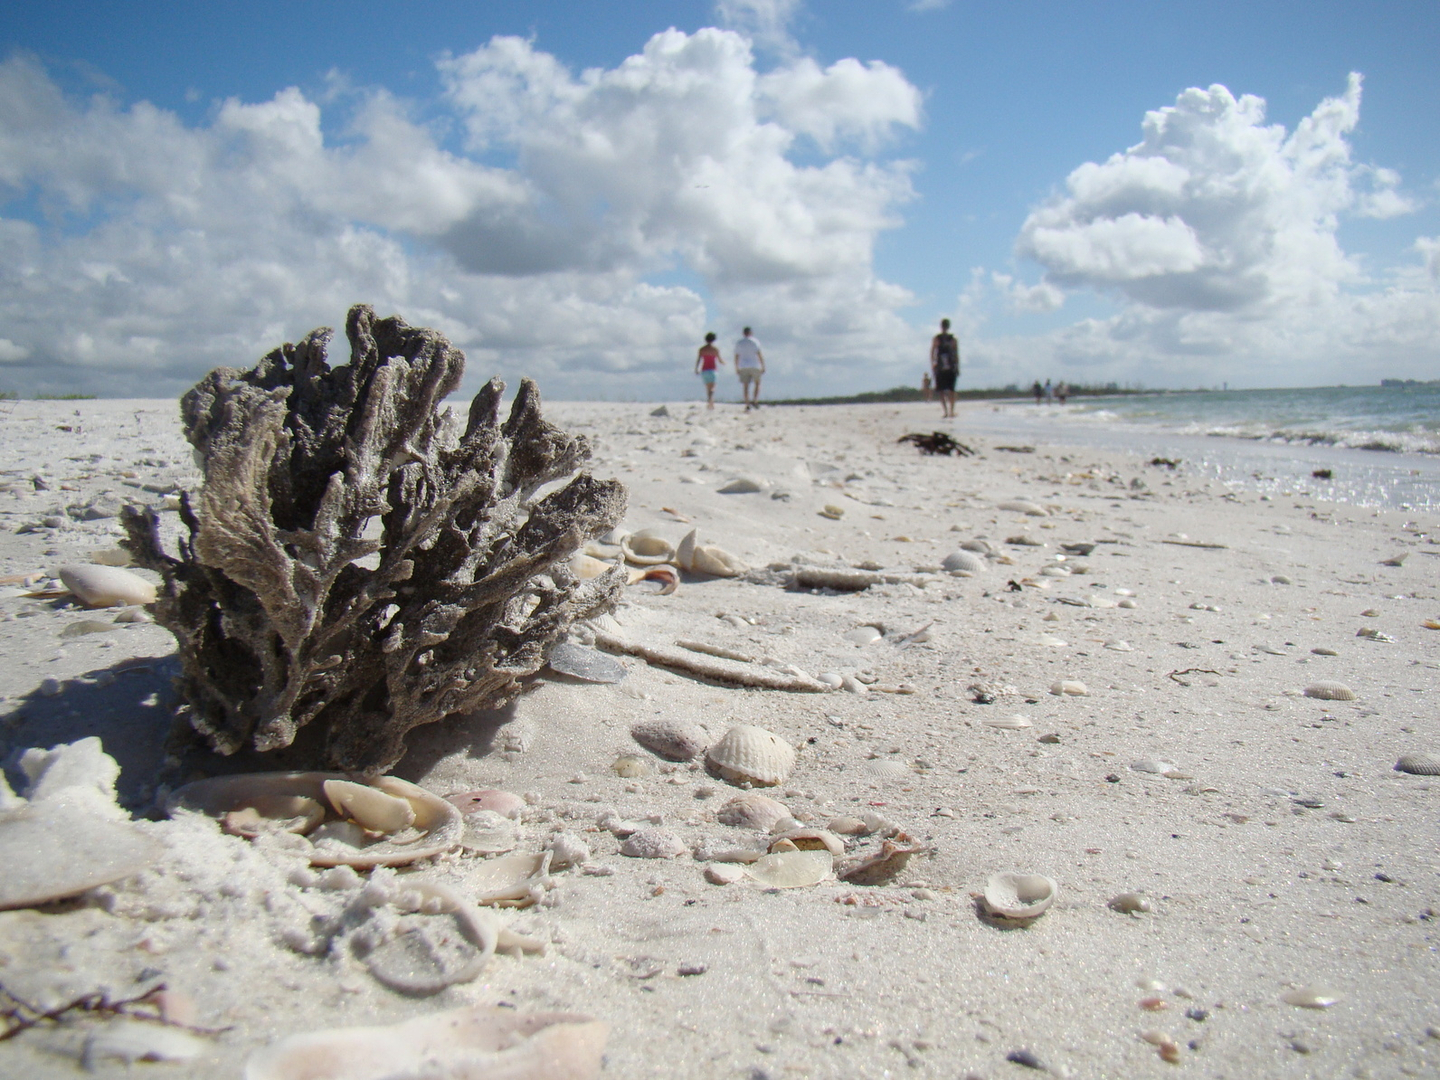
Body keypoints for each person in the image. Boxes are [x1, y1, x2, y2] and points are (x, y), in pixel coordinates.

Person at [930, 318, 960, 419]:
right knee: (946, 390)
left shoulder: (951, 339)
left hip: (947, 367)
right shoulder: (943, 339)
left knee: (946, 391)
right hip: (943, 367)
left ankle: (948, 411)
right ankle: (949, 411)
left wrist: (933, 364)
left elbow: (932, 352)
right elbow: (933, 352)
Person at [734, 327, 765, 410]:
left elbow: (737, 356)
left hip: (743, 366)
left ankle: (747, 404)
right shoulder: (755, 341)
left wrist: (736, 367)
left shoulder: (739, 343)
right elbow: (759, 354)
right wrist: (763, 365)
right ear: (751, 332)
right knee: (757, 383)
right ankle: (755, 401)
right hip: (755, 365)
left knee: (746, 386)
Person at [694, 332, 724, 409]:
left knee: (708, 388)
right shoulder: (715, 349)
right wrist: (725, 362)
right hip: (713, 370)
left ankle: (710, 403)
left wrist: (696, 369)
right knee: (713, 388)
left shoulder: (702, 349)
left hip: (704, 370)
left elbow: (698, 360)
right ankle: (710, 401)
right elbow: (720, 360)